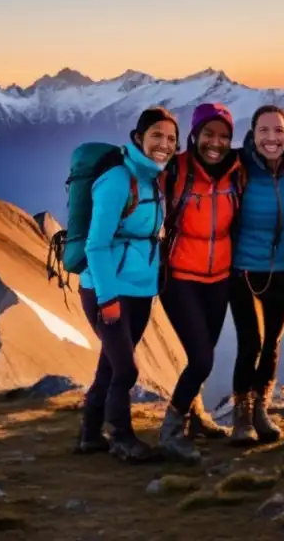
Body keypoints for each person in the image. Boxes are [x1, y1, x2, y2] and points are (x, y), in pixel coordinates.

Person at [78, 106, 178, 463]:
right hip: (108, 290)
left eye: (170, 138)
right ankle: (121, 437)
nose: (163, 144)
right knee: (126, 369)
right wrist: (107, 299)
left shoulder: (152, 179)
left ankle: (89, 435)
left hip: (139, 291)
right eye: (156, 136)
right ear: (139, 138)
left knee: (110, 364)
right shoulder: (118, 180)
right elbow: (96, 244)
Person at [157, 102, 245, 462]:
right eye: (208, 134)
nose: (216, 142)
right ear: (194, 134)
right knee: (202, 359)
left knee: (202, 352)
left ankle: (196, 417)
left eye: (224, 136)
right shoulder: (174, 170)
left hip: (220, 278)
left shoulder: (239, 172)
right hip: (179, 278)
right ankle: (171, 430)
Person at [228, 104, 284, 446]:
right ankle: (241, 414)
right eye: (264, 131)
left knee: (271, 344)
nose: (271, 138)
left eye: (278, 131)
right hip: (244, 270)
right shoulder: (237, 167)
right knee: (251, 343)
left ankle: (260, 409)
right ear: (253, 134)